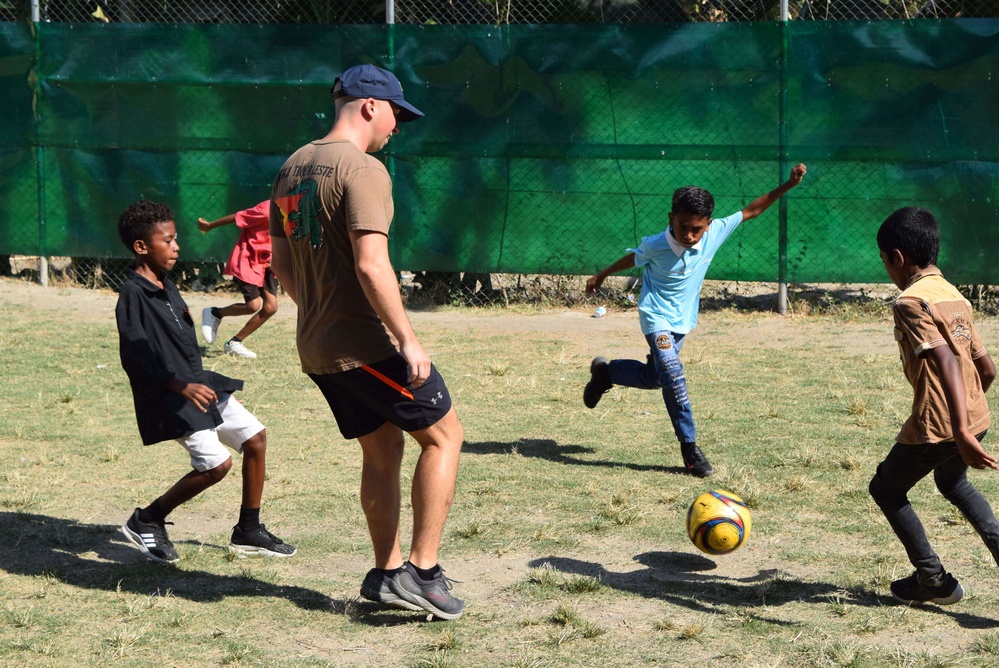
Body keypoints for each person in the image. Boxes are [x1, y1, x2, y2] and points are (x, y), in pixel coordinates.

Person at [268, 64, 465, 619]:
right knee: (445, 438)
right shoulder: (364, 169)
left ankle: (386, 573)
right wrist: (408, 339)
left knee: (383, 448)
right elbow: (371, 263)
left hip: (317, 344)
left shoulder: (290, 169)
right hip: (367, 345)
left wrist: (320, 312)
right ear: (370, 106)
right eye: (397, 114)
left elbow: (281, 262)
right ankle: (424, 574)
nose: (397, 127)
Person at [583, 164, 808, 477]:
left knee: (656, 377)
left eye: (696, 229)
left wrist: (788, 184)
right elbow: (632, 258)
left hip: (682, 321)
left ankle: (607, 373)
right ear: (670, 219)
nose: (689, 235)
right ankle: (690, 449)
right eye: (683, 226)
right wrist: (602, 275)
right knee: (673, 372)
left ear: (708, 225)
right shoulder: (655, 244)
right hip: (655, 316)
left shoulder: (714, 232)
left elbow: (752, 210)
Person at [115, 199, 295, 563]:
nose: (176, 246)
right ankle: (147, 519)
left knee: (255, 439)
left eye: (176, 238)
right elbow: (135, 359)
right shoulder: (133, 295)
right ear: (141, 247)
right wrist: (179, 386)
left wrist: (198, 381)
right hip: (174, 395)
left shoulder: (167, 285)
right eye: (167, 240)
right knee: (217, 465)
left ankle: (248, 530)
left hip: (200, 385)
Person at [869, 206, 999, 606]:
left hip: (942, 424)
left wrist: (958, 430)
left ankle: (933, 580)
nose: (888, 272)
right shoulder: (953, 295)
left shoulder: (911, 301)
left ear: (898, 258)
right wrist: (973, 416)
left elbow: (944, 359)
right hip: (974, 415)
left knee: (886, 489)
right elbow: (987, 367)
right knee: (953, 482)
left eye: (885, 262)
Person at [198, 200, 277, 359]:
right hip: (249, 260)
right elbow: (238, 217)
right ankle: (215, 313)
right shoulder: (267, 210)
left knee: (271, 307)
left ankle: (233, 343)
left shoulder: (297, 214)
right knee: (253, 305)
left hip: (270, 263)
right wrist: (209, 226)